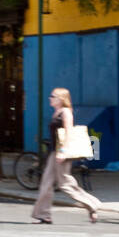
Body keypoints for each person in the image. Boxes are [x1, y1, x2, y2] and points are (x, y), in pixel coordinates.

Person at [30, 87, 101, 224]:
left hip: (62, 153)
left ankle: (93, 205)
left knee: (65, 184)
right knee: (46, 183)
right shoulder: (56, 112)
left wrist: (63, 151)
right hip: (53, 152)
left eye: (53, 96)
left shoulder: (66, 112)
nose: (50, 98)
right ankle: (44, 215)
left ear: (61, 99)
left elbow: (69, 133)